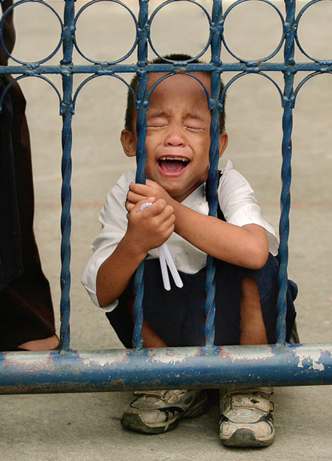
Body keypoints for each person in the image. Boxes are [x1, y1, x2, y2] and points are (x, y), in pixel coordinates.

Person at [81, 53, 296, 448]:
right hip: (171, 323)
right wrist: (134, 243)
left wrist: (172, 212)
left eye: (194, 125)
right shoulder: (125, 193)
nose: (175, 137)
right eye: (156, 123)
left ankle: (248, 383)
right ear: (129, 141)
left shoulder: (227, 184)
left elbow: (255, 252)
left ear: (217, 144)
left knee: (261, 267)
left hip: (234, 325)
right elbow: (102, 290)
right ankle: (173, 378)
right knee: (124, 276)